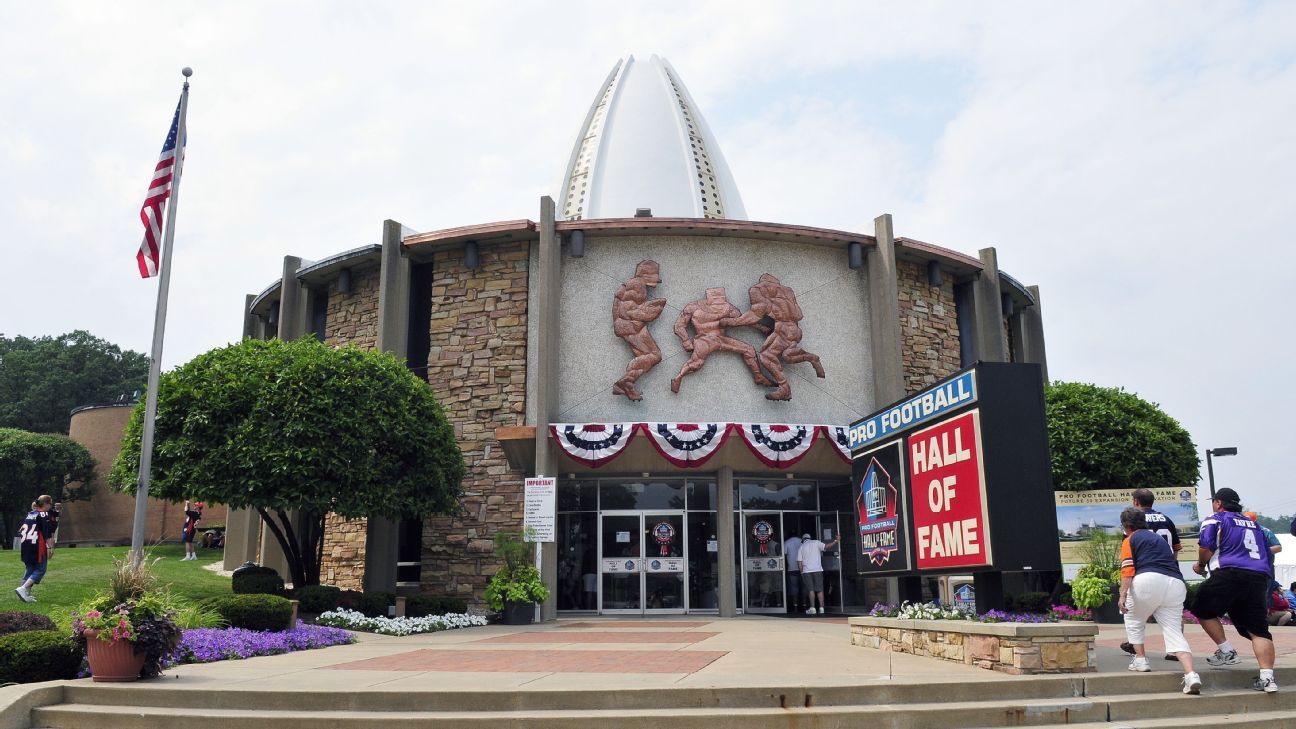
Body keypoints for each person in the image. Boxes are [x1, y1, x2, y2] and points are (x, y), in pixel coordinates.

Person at [1192, 488, 1279, 693]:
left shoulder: (1216, 519)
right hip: (1258, 577)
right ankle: (1268, 679)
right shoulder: (1257, 526)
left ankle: (1227, 651)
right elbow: (1268, 553)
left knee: (1200, 607)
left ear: (1219, 503)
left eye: (1214, 501)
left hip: (1229, 572)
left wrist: (1201, 565)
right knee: (1259, 631)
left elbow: (1206, 546)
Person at [1116, 507, 1201, 694]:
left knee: (1133, 618)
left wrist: (1122, 595)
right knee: (1173, 631)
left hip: (1148, 579)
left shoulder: (1130, 539)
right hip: (1175, 583)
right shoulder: (1158, 539)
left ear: (1126, 526)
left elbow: (1128, 570)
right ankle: (1191, 674)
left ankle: (1140, 660)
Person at [1121, 488, 1181, 660]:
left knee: (1135, 610)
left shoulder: (1133, 522)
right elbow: (1176, 548)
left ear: (1136, 502)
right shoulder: (1166, 519)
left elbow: (1128, 550)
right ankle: (1174, 650)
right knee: (1173, 612)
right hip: (1170, 570)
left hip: (1144, 571)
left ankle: (1136, 647)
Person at [611, 259, 667, 401]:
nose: (656, 281)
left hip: (630, 326)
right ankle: (625, 382)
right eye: (655, 276)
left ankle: (627, 383)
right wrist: (652, 312)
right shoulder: (637, 285)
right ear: (646, 275)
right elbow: (627, 310)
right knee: (654, 355)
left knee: (649, 356)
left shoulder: (634, 284)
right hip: (630, 326)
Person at [14, 495, 59, 603]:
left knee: (30, 569)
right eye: (50, 503)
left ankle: (25, 595)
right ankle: (23, 589)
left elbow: (20, 531)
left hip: (26, 545)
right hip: (37, 546)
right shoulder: (43, 514)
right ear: (46, 504)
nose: (51, 506)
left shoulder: (30, 514)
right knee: (40, 569)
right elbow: (47, 534)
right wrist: (50, 548)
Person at [798, 532, 840, 615]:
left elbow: (799, 562)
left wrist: (801, 572)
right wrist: (835, 541)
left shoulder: (801, 547)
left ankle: (812, 608)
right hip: (818, 570)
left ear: (803, 540)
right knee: (820, 590)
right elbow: (826, 547)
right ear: (810, 538)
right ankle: (821, 608)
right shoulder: (816, 542)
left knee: (811, 590)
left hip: (807, 571)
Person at [1243, 511, 1282, 577]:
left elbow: (1278, 547)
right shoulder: (1240, 530)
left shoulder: (1265, 531)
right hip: (1245, 567)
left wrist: (1262, 550)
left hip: (1264, 567)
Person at [783, 532, 804, 613]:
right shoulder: (802, 541)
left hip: (792, 569)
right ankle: (804, 605)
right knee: (804, 587)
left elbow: (784, 555)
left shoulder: (787, 542)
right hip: (803, 568)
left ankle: (795, 605)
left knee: (794, 587)